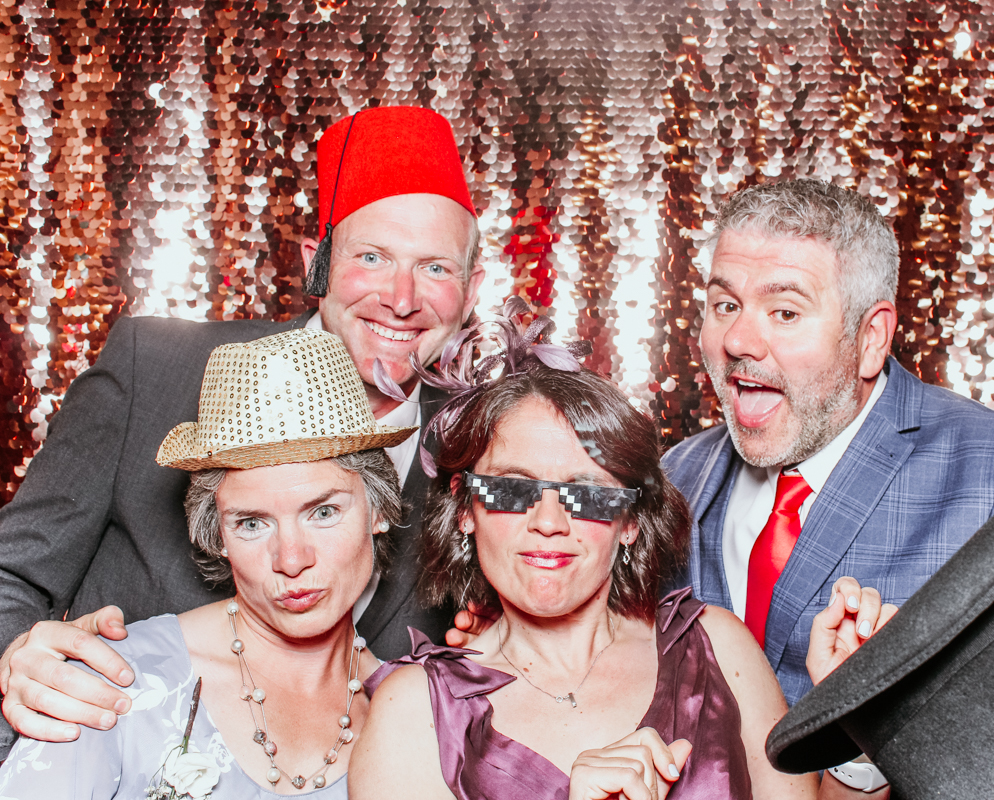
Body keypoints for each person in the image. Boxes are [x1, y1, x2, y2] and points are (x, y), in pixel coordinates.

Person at [0, 105, 485, 756]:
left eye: (435, 268)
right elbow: (11, 573)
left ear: (473, 290)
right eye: (372, 257)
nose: (401, 298)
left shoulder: (485, 451)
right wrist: (15, 663)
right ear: (318, 263)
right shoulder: (157, 370)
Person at [662, 179, 994, 794]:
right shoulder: (675, 477)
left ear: (871, 338)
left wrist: (880, 720)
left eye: (785, 312)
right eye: (724, 305)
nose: (739, 342)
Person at [348, 311, 838, 800]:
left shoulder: (718, 649)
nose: (548, 522)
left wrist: (862, 722)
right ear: (466, 509)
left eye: (585, 496)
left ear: (629, 521)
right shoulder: (412, 713)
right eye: (513, 490)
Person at [0, 328, 414, 797]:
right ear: (216, 534)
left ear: (379, 510)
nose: (292, 560)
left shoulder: (419, 712)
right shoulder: (115, 681)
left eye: (323, 512)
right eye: (252, 524)